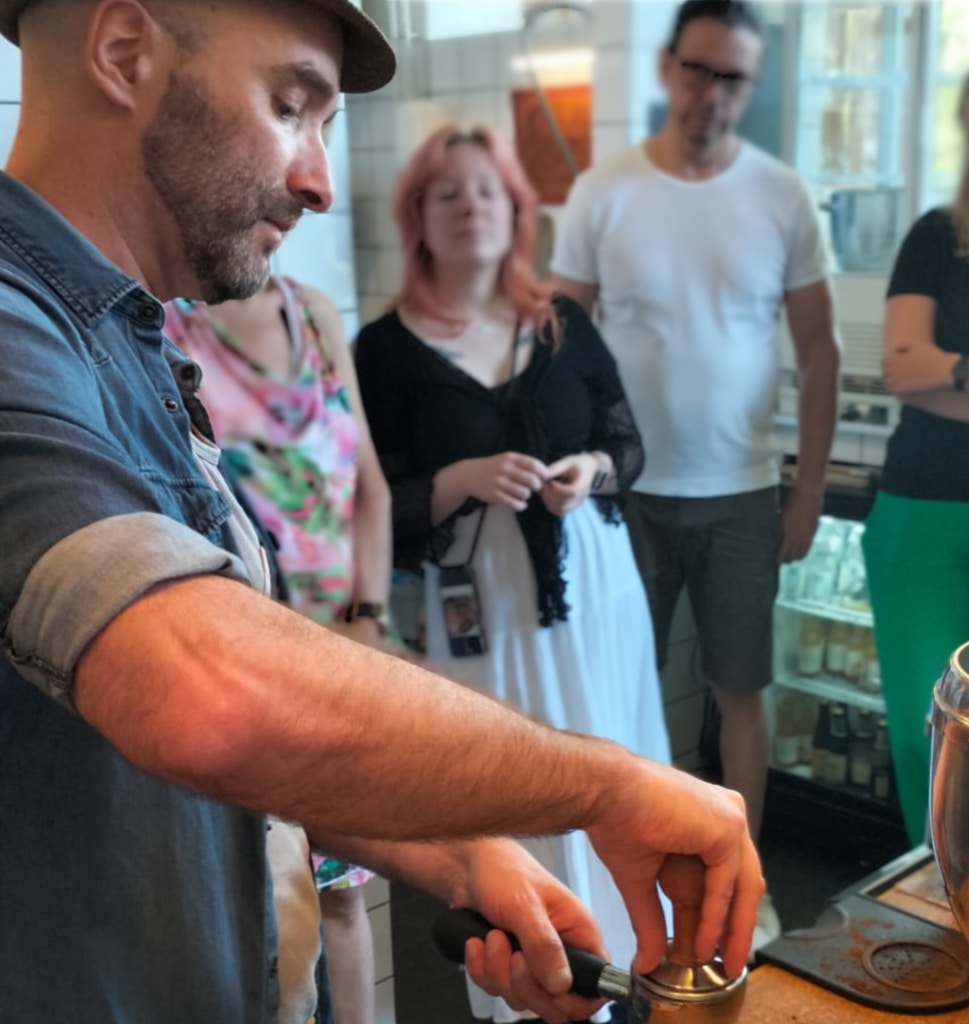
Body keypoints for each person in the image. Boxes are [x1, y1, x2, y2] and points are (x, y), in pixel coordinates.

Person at [0, 1, 764, 1021]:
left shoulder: (126, 337)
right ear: (123, 51)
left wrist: (458, 851)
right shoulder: (16, 333)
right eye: (290, 105)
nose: (319, 181)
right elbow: (208, 693)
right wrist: (607, 786)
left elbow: (208, 755)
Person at [355, 124, 673, 1023]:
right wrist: (457, 480)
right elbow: (375, 501)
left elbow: (626, 446)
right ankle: (533, 977)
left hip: (589, 590)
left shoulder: (562, 324)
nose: (471, 207)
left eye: (487, 190)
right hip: (480, 611)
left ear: (515, 210)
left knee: (608, 761)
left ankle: (632, 962)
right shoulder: (382, 350)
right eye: (447, 192)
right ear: (417, 215)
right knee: (509, 783)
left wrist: (589, 472)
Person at [550, 0, 840, 952]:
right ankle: (624, 894)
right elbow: (560, 344)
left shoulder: (782, 196)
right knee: (622, 689)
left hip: (742, 495)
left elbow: (821, 352)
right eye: (699, 70)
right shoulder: (604, 191)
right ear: (669, 68)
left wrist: (807, 488)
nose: (713, 93)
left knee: (739, 694)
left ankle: (740, 888)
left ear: (750, 87)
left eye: (734, 78)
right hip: (621, 499)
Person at [163, 275, 392, 1024]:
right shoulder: (160, 322)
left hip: (338, 661)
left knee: (343, 898)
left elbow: (371, 490)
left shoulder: (315, 314)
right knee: (257, 900)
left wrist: (367, 622)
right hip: (237, 673)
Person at [864, 50, 969, 845]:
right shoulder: (937, 236)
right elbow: (902, 370)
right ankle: (935, 893)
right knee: (925, 734)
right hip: (916, 515)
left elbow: (927, 372)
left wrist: (950, 372)